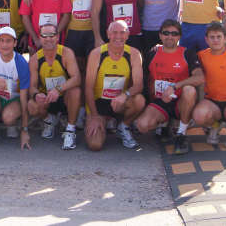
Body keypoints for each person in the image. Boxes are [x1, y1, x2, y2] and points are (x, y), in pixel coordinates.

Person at [134, 20, 204, 154]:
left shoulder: (187, 53)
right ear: (160, 35)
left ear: (179, 36)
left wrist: (175, 86)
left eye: (174, 33)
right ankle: (165, 124)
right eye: (166, 33)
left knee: (189, 90)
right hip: (160, 101)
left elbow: (200, 77)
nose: (170, 36)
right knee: (142, 125)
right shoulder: (152, 53)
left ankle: (181, 134)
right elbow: (143, 79)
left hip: (181, 102)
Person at [84, 20, 145, 150]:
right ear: (108, 34)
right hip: (99, 102)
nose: (118, 36)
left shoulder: (134, 54)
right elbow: (88, 87)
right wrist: (94, 116)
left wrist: (125, 95)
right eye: (114, 32)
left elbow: (139, 85)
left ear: (127, 35)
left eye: (122, 33)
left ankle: (123, 126)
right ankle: (103, 120)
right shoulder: (97, 54)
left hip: (119, 102)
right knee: (95, 145)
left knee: (139, 100)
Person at [27, 23, 81, 150]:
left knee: (76, 91)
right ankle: (49, 120)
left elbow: (77, 78)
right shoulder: (35, 59)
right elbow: (32, 87)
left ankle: (70, 130)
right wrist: (36, 95)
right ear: (40, 38)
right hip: (48, 99)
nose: (48, 39)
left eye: (52, 35)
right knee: (32, 105)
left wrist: (59, 89)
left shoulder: (66, 53)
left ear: (57, 37)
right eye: (44, 35)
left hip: (65, 97)